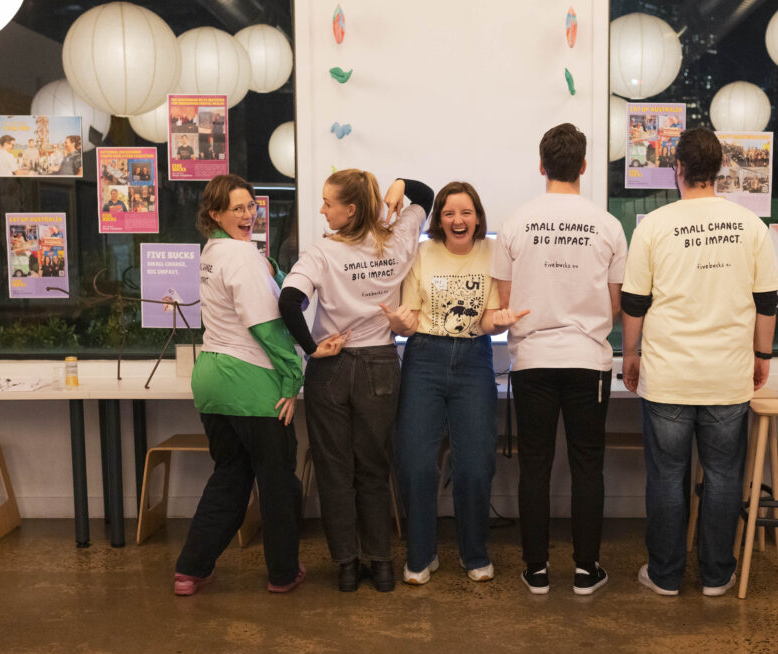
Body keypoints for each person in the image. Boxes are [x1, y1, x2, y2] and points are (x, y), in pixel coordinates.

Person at [621, 127, 778, 598]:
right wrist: (762, 355)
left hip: (668, 374)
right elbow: (767, 301)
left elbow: (634, 302)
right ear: (720, 173)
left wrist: (630, 355)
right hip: (727, 374)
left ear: (680, 170)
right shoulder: (750, 225)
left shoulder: (654, 225)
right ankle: (717, 575)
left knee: (668, 477)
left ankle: (665, 576)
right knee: (725, 476)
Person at [278, 170, 433, 593]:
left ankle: (347, 567)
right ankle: (382, 565)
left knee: (334, 469)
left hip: (331, 368)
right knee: (374, 468)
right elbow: (426, 194)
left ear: (350, 210)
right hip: (380, 365)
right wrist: (399, 185)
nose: (322, 209)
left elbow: (289, 301)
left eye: (328, 203)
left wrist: (311, 348)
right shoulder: (398, 240)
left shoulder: (321, 253)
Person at [491, 123, 627, 596]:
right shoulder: (607, 225)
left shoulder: (515, 222)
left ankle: (536, 570)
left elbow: (504, 303)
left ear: (542, 165)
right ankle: (587, 570)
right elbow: (615, 304)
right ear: (585, 166)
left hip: (532, 360)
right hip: (588, 359)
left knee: (535, 464)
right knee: (588, 465)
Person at [173, 174, 319, 596]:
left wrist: (271, 268)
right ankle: (282, 573)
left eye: (251, 206)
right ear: (215, 214)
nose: (248, 214)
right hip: (252, 383)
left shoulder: (212, 252)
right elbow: (268, 326)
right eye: (237, 208)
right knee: (276, 483)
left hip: (213, 382)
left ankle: (191, 569)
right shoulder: (242, 255)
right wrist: (293, 378)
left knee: (229, 477)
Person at [383, 181, 523, 586]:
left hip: (474, 359)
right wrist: (399, 324)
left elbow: (487, 318)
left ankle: (474, 553)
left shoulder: (494, 253)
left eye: (465, 212)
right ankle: (421, 554)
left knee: (477, 464)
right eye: (448, 213)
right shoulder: (421, 253)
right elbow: (409, 315)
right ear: (438, 220)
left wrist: (501, 321)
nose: (457, 220)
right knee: (415, 464)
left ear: (477, 217)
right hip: (424, 357)